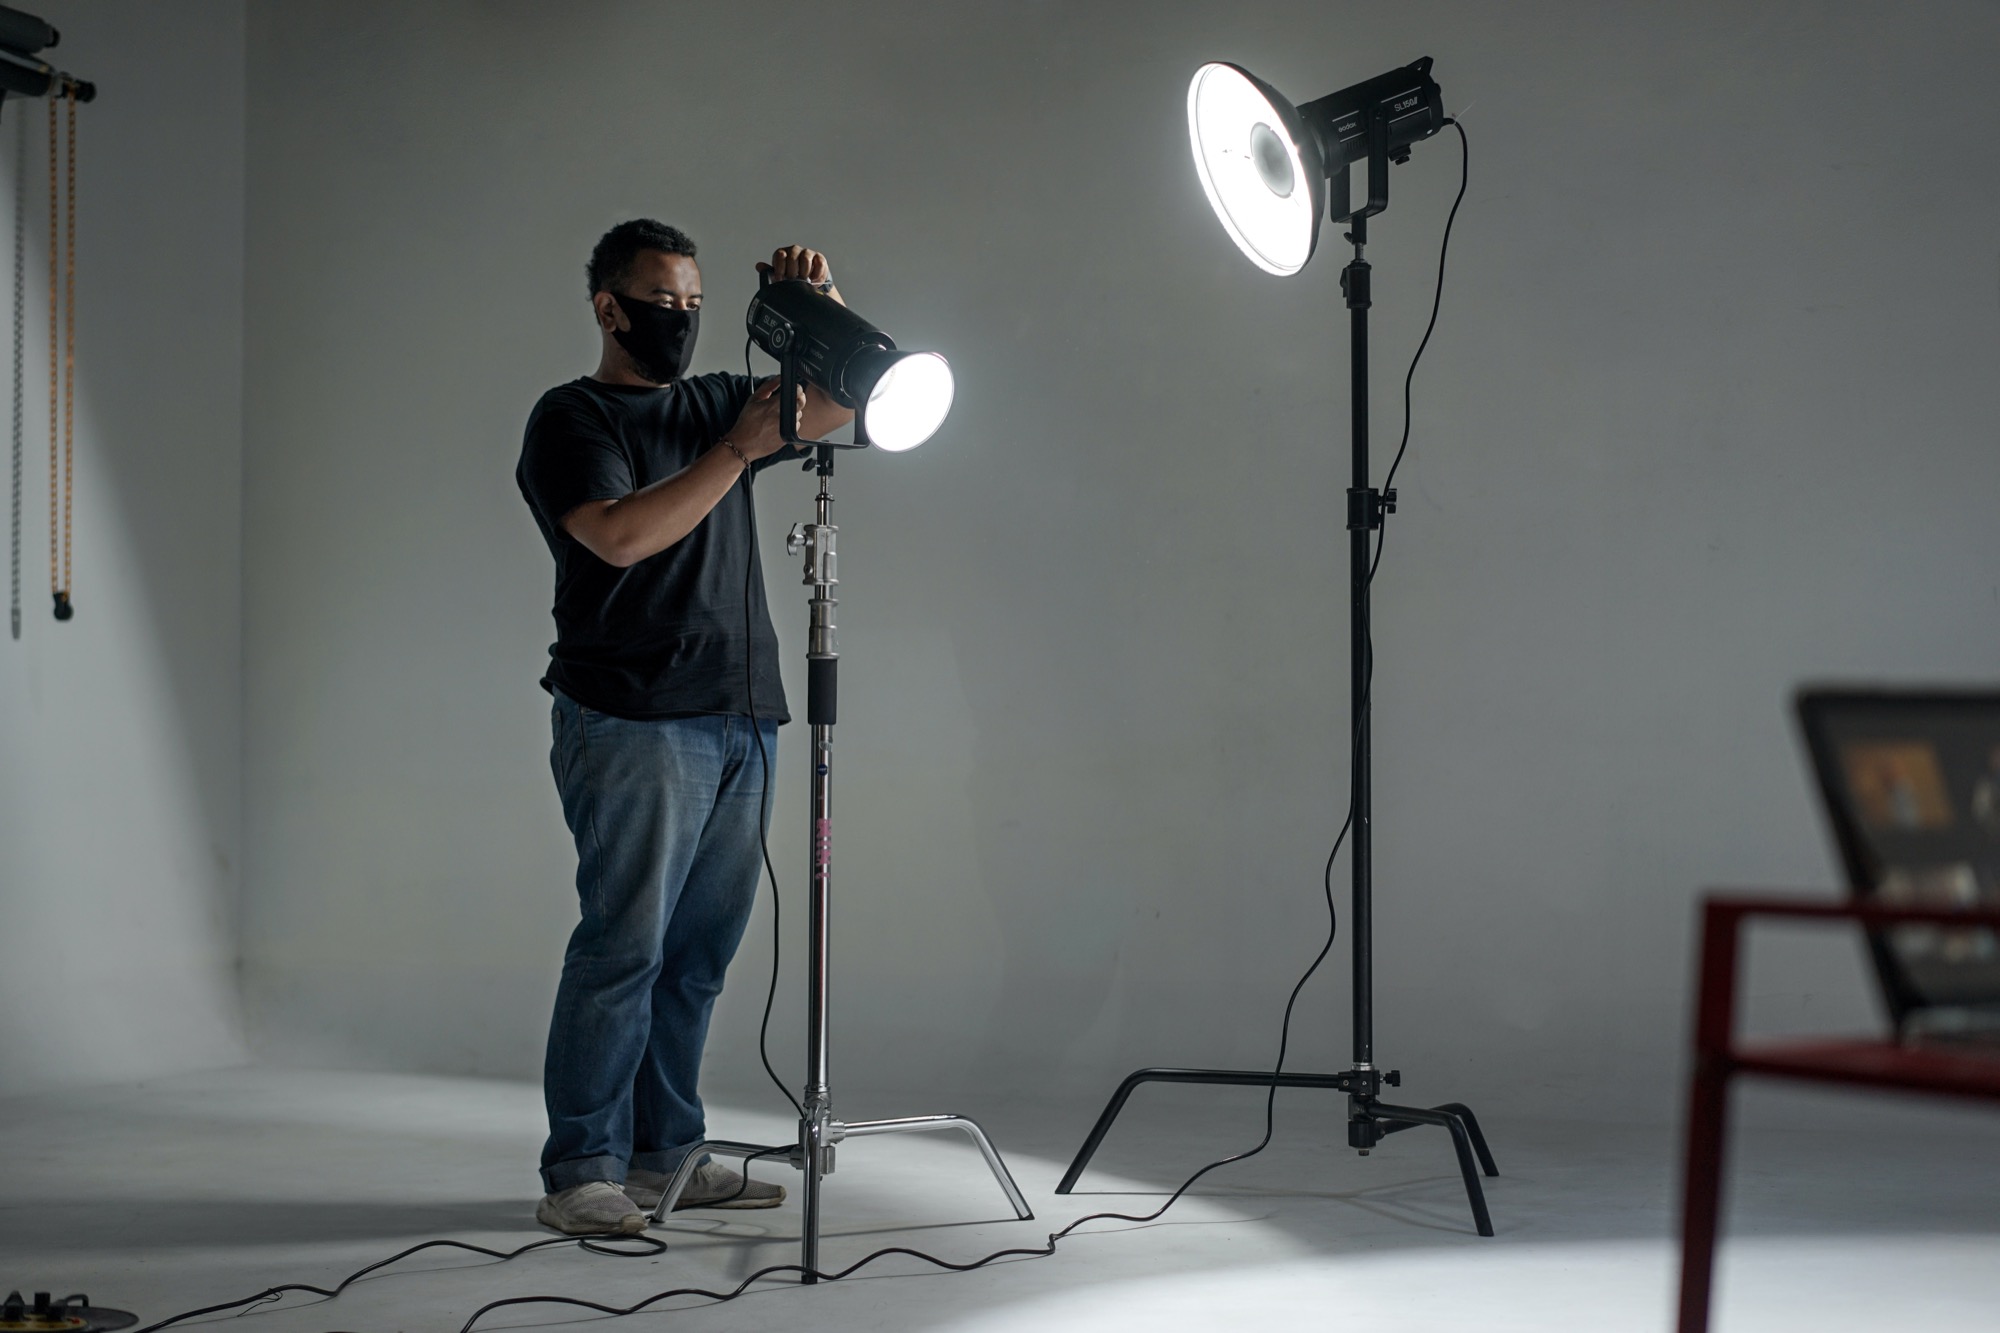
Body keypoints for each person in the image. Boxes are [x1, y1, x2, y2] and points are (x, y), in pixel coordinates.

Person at [515, 219, 852, 1235]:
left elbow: (837, 406)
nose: (683, 319)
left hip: (741, 713)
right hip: (629, 719)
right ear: (609, 308)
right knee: (625, 946)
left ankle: (668, 1151)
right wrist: (732, 453)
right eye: (663, 302)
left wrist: (822, 305)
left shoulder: (715, 401)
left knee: (700, 953)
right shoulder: (571, 417)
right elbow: (618, 539)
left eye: (696, 302)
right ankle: (582, 1168)